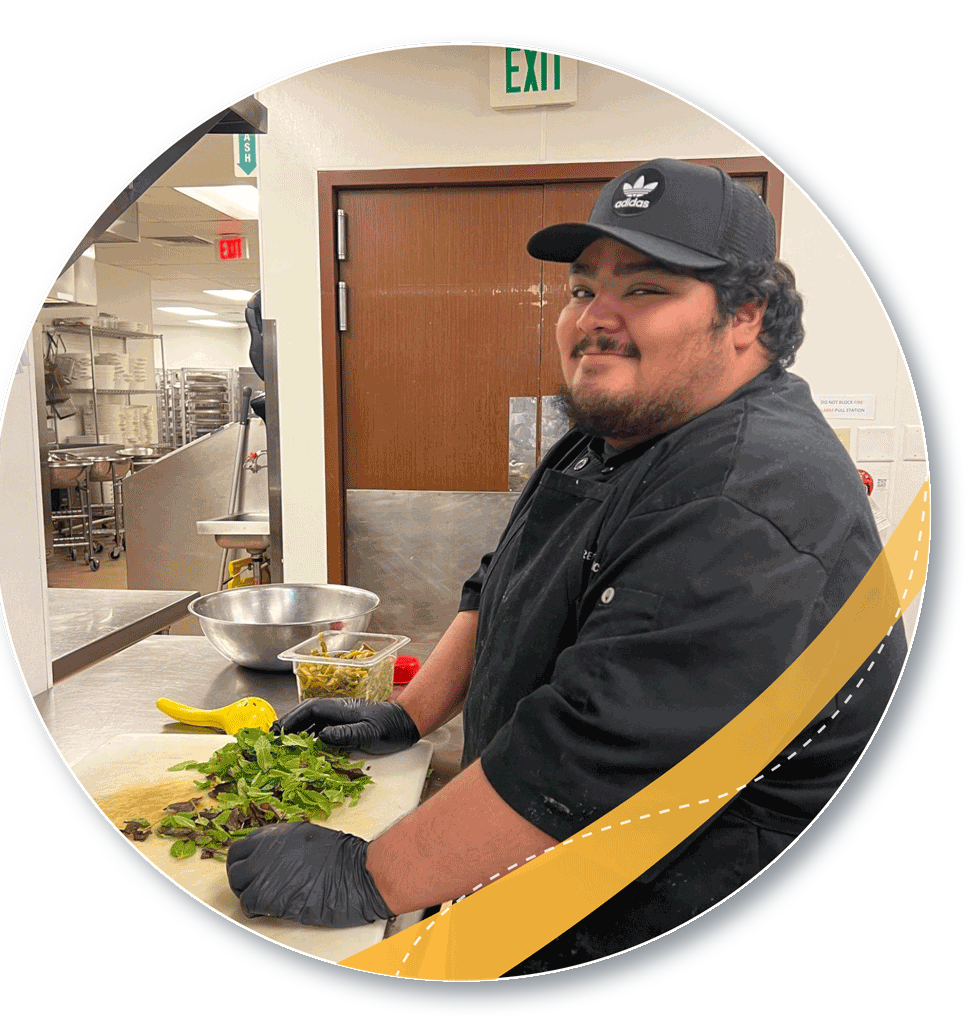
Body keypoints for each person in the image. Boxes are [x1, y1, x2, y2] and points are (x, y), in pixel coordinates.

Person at [225, 158, 907, 974]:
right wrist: (411, 713)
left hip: (671, 909)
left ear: (744, 316)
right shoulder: (622, 427)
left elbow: (588, 757)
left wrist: (369, 876)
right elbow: (504, 579)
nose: (595, 318)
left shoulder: (747, 497)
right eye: (584, 290)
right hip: (556, 867)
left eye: (647, 289)